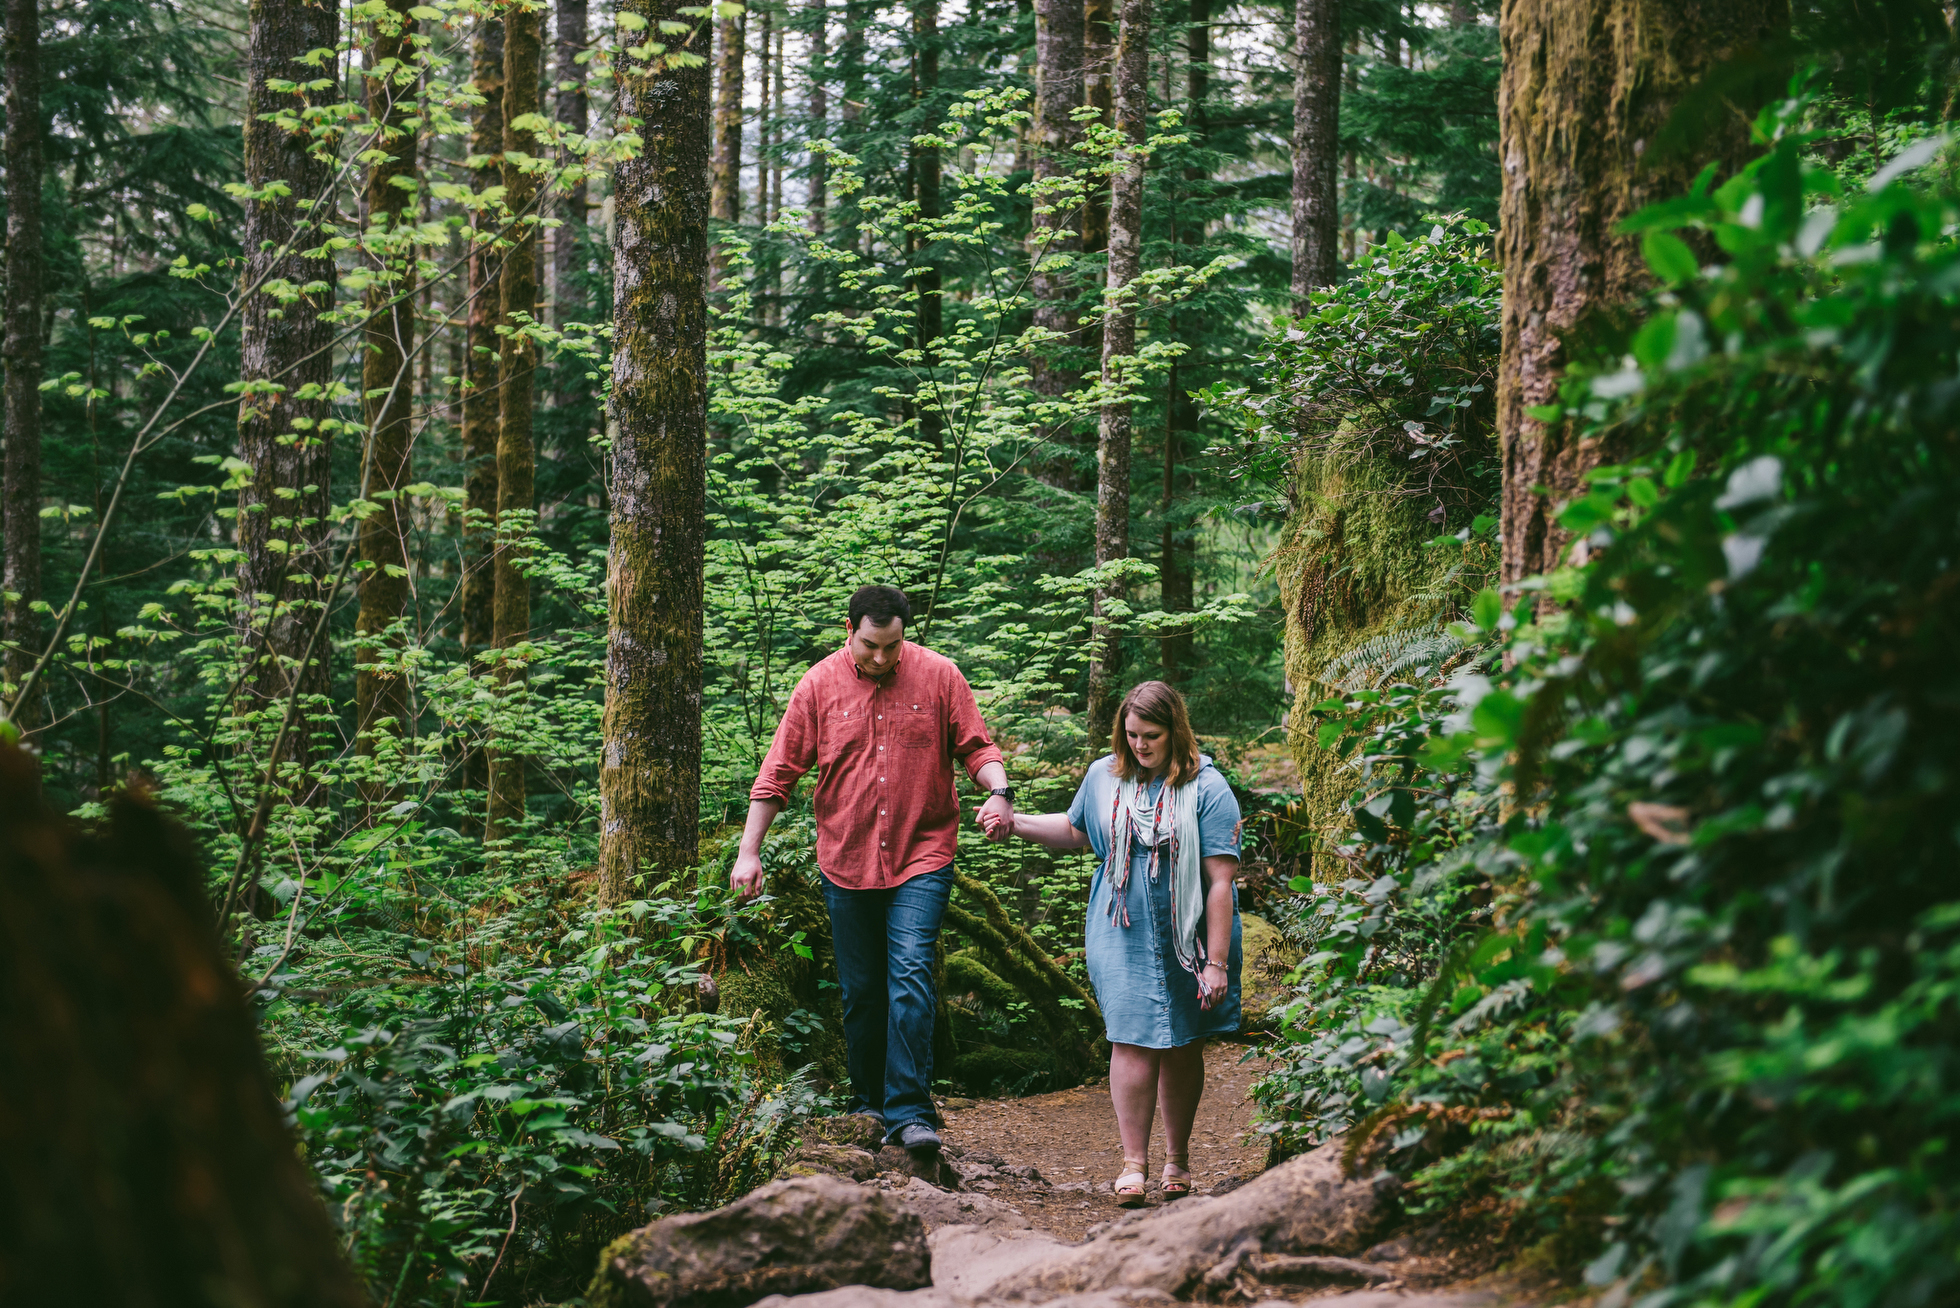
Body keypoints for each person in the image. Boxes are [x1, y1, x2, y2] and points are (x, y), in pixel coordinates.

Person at [731, 584, 1016, 1155]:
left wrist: (1000, 791)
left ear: (905, 634)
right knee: (861, 992)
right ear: (849, 629)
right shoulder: (818, 685)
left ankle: (910, 1113)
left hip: (922, 855)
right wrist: (748, 851)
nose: (881, 657)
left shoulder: (940, 676)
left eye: (892, 645)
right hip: (845, 859)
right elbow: (778, 774)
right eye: (870, 646)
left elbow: (977, 749)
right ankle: (866, 1107)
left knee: (911, 976)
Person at [986, 680, 1241, 1206]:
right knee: (1129, 1037)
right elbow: (1077, 830)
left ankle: (1177, 1160)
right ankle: (1133, 1165)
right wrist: (1016, 822)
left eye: (1151, 736)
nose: (1140, 745)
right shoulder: (1104, 776)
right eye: (1131, 735)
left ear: (1175, 731)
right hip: (1121, 923)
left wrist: (1215, 962)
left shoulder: (1209, 787)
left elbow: (1220, 880)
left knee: (1184, 1041)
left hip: (1189, 928)